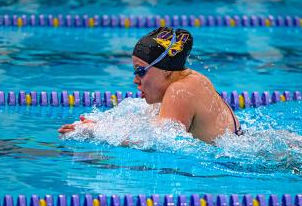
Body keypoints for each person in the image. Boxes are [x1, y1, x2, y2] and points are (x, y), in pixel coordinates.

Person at [58, 26, 242, 143]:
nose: (135, 80)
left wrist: (96, 133)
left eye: (140, 71)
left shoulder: (180, 90)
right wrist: (101, 125)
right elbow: (148, 126)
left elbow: (158, 141)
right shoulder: (188, 79)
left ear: (166, 70)